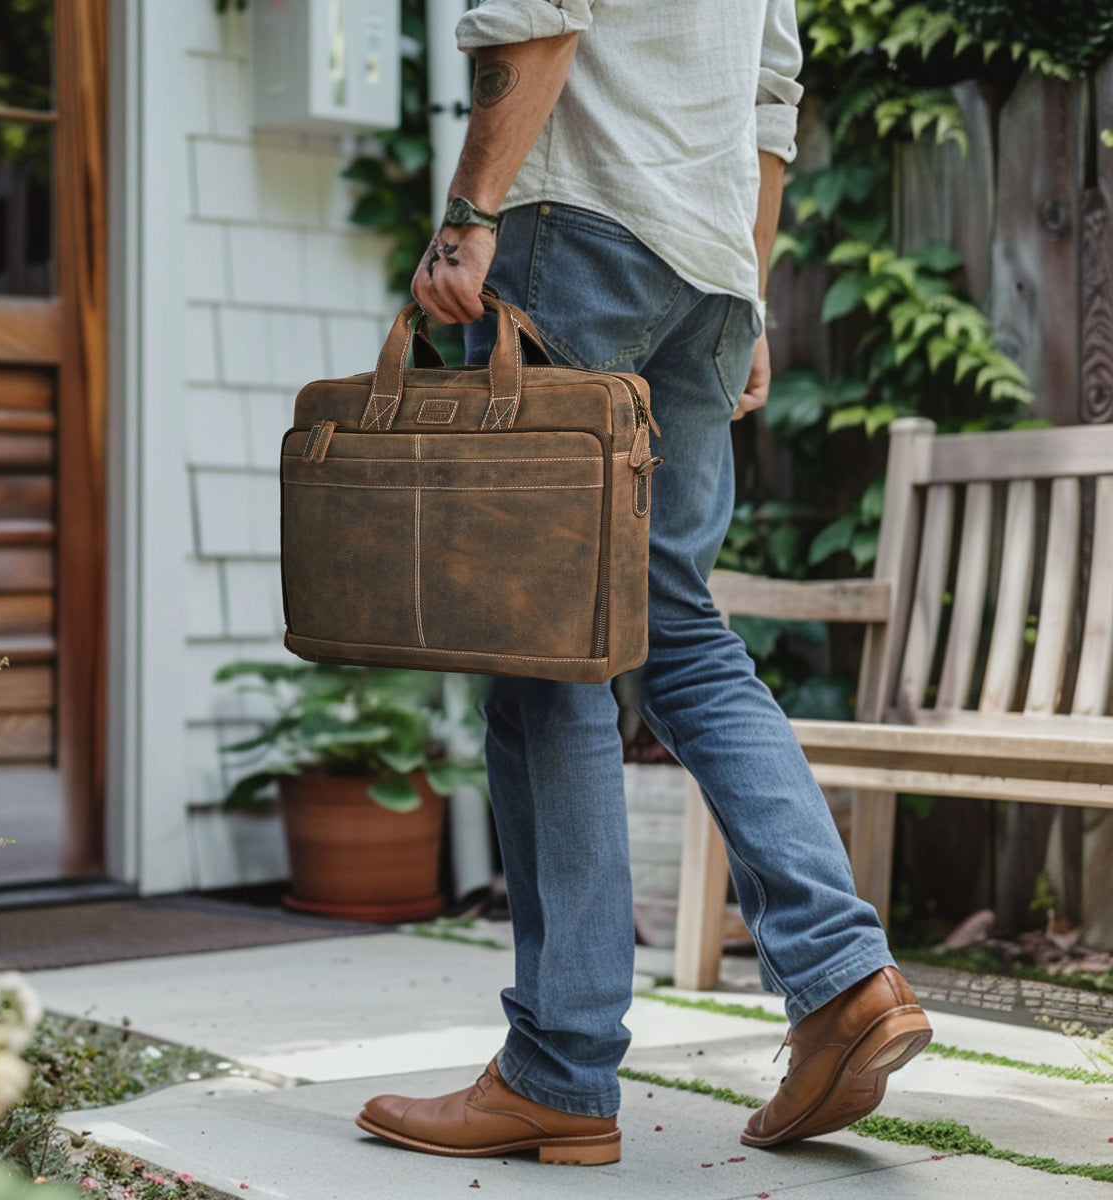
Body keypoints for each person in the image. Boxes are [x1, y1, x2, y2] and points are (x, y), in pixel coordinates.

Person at [356, 0, 933, 1165]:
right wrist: (751, 290)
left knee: (543, 646)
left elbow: (537, 19)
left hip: (576, 237)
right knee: (679, 630)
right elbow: (771, 93)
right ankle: (843, 980)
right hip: (707, 267)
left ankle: (559, 1071)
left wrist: (468, 217)